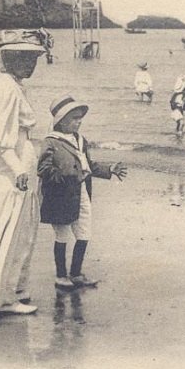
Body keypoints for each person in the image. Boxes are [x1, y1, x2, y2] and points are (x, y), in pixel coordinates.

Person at [0, 30, 47, 315]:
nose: (33, 64)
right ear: (12, 58)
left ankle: (14, 288)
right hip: (9, 168)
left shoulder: (10, 86)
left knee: (21, 230)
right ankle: (2, 298)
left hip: (16, 163)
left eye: (34, 58)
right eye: (27, 58)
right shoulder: (6, 89)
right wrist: (17, 169)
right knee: (9, 232)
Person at [38, 95, 127, 290]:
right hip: (60, 194)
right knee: (62, 234)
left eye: (80, 118)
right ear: (61, 121)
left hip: (81, 191)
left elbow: (88, 165)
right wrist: (60, 176)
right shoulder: (51, 142)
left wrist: (109, 169)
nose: (79, 122)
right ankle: (61, 276)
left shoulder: (80, 140)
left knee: (84, 231)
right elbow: (43, 168)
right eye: (74, 118)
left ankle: (76, 273)